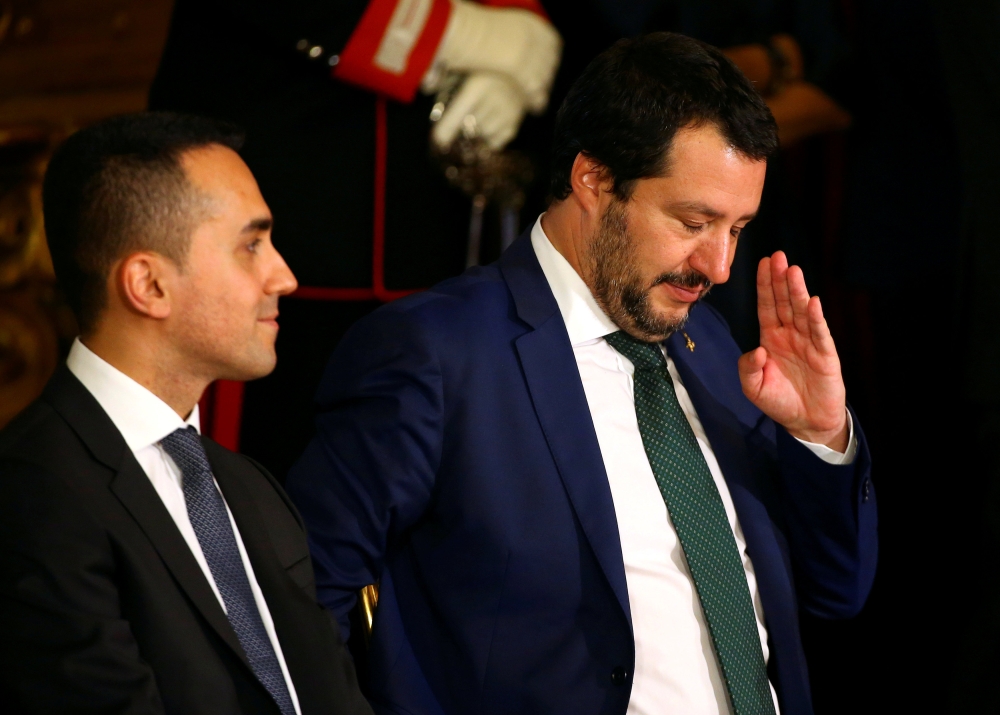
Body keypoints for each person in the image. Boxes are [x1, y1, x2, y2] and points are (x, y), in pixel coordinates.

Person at [285, 33, 876, 715]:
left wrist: (821, 436)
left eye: (738, 229)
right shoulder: (435, 354)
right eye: (693, 221)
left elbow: (839, 590)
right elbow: (301, 600)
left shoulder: (710, 342)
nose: (718, 267)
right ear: (593, 179)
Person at [0, 113, 373, 715]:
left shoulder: (249, 488)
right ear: (148, 285)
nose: (285, 276)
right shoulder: (33, 494)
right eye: (251, 245)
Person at [148, 0, 562, 478]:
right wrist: (458, 35)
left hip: (430, 217)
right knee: (258, 501)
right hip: (282, 189)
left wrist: (515, 30)